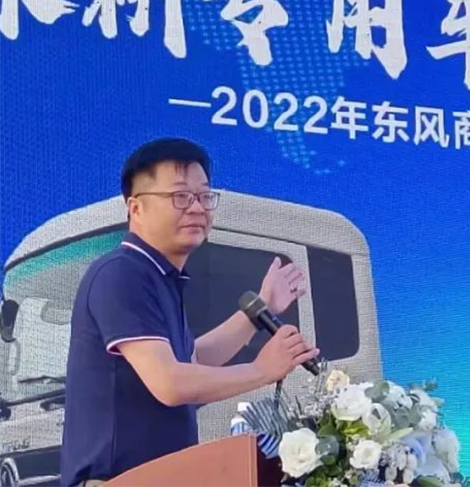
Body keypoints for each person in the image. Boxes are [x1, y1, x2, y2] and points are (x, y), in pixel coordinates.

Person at [59, 138, 319, 487]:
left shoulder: (160, 277)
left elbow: (194, 358)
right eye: (180, 196)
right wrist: (261, 370)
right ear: (136, 208)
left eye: (204, 196)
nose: (197, 208)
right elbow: (169, 382)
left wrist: (261, 308)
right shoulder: (121, 272)